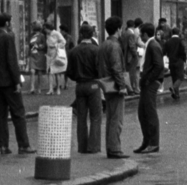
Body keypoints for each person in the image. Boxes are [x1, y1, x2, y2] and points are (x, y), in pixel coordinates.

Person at [0, 13, 33, 156]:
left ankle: (3, 146)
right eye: (10, 22)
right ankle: (23, 145)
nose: (12, 24)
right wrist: (17, 81)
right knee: (18, 112)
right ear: (7, 23)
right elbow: (12, 61)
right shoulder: (8, 37)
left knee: (1, 115)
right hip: (9, 81)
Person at [66, 22, 103, 154]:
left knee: (81, 117)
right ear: (92, 35)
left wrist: (77, 77)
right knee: (95, 116)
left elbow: (69, 72)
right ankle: (93, 146)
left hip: (79, 85)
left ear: (80, 34)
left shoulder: (73, 51)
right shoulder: (96, 50)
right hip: (93, 83)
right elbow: (100, 69)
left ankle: (82, 146)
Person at [100, 16, 130, 157]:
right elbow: (116, 67)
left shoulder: (104, 44)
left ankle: (111, 147)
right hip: (115, 85)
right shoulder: (115, 45)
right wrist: (122, 85)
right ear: (118, 29)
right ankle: (115, 148)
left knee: (111, 117)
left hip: (106, 83)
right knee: (117, 119)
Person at [136, 26, 164, 154]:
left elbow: (159, 66)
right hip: (147, 82)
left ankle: (153, 143)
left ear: (146, 34)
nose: (140, 36)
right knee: (142, 113)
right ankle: (147, 141)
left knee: (150, 112)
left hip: (151, 83)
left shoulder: (153, 45)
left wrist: (149, 80)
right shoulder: (150, 45)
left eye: (141, 34)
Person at [164, 25, 186, 101]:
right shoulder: (180, 41)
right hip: (179, 60)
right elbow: (183, 51)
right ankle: (174, 88)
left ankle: (177, 94)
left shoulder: (168, 41)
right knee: (180, 77)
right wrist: (185, 60)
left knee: (174, 77)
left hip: (171, 61)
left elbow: (164, 51)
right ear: (179, 32)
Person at [46, 19, 68, 94]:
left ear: (49, 28)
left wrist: (56, 46)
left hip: (56, 54)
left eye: (46, 29)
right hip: (50, 54)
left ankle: (58, 88)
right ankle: (51, 89)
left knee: (56, 72)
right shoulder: (48, 35)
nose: (45, 31)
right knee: (50, 71)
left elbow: (63, 41)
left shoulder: (56, 33)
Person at [27, 22, 48, 95]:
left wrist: (38, 47)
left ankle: (39, 88)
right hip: (33, 55)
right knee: (32, 71)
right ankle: (32, 88)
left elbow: (44, 45)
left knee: (39, 72)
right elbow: (29, 45)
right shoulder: (31, 35)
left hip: (40, 55)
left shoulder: (42, 36)